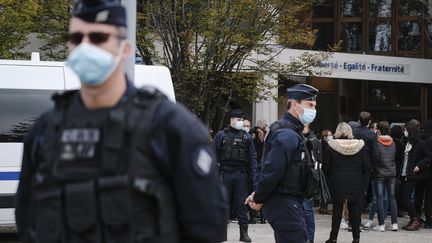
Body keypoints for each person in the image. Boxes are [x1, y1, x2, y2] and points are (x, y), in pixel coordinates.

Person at [15, 1, 228, 243]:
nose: (85, 47)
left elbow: (207, 227)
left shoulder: (170, 126)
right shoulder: (45, 130)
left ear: (124, 49)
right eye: (76, 38)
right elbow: (27, 221)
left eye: (98, 37)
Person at [245, 83, 319, 243]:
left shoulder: (292, 131)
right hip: (284, 201)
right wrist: (258, 198)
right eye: (310, 105)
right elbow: (271, 171)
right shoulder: (287, 135)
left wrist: (258, 195)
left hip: (289, 201)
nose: (313, 110)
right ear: (295, 104)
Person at [213, 109, 257, 242]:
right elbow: (213, 154)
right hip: (224, 173)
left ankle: (244, 232)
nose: (241, 122)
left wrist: (254, 176)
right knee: (222, 203)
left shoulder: (246, 137)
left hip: (240, 175)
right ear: (231, 120)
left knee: (241, 204)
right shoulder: (221, 136)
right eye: (238, 120)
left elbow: (253, 157)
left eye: (242, 120)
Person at [324, 122, 367, 243]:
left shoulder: (331, 146)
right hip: (355, 181)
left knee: (337, 210)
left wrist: (330, 179)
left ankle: (333, 238)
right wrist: (363, 183)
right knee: (354, 210)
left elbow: (326, 167)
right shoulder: (359, 146)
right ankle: (356, 238)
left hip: (337, 180)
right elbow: (366, 166)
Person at [400, 120, 432, 231]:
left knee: (406, 197)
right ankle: (414, 218)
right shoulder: (406, 142)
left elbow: (429, 156)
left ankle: (415, 219)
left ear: (411, 131)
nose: (405, 132)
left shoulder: (420, 143)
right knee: (404, 197)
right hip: (404, 173)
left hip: (413, 174)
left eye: (406, 130)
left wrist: (419, 165)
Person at [370, 121, 398, 232]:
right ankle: (394, 223)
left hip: (379, 173)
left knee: (380, 198)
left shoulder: (377, 142)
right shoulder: (393, 142)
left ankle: (381, 225)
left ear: (379, 130)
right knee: (392, 197)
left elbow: (375, 157)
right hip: (391, 172)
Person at [302, 124, 322, 243]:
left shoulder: (313, 140)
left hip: (308, 179)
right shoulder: (296, 138)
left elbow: (318, 161)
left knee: (307, 210)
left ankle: (309, 239)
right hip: (297, 178)